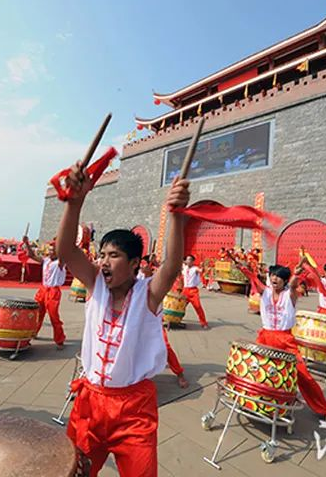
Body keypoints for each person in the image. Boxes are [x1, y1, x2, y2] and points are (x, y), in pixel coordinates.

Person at [56, 159, 189, 476]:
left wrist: (176, 214)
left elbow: (171, 264)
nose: (103, 262)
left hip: (134, 410)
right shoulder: (96, 286)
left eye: (113, 255)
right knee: (73, 471)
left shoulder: (148, 295)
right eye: (101, 255)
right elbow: (65, 251)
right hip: (90, 403)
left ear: (134, 264)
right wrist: (75, 202)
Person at [233, 256, 326, 417]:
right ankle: (251, 401)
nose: (274, 278)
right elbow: (252, 277)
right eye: (272, 275)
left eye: (278, 276)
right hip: (265, 337)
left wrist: (298, 272)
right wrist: (243, 268)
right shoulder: (264, 291)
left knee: (303, 375)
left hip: (285, 340)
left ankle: (323, 408)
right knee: (254, 368)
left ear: (285, 280)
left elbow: (293, 284)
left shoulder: (290, 294)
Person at [137, 256, 189, 389]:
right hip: (135, 320)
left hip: (153, 320)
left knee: (165, 346)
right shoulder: (131, 275)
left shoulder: (160, 280)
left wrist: (150, 276)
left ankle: (179, 373)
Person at [29, 241, 67, 349]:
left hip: (53, 292)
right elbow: (31, 255)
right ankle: (33, 332)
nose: (50, 252)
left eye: (52, 250)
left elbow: (64, 255)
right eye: (49, 250)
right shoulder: (45, 261)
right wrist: (27, 243)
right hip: (42, 290)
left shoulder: (60, 262)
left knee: (53, 316)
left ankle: (60, 340)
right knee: (37, 313)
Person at [182, 255, 209, 329]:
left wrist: (202, 266)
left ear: (193, 261)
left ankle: (203, 323)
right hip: (185, 290)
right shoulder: (184, 268)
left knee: (198, 307)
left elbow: (201, 271)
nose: (188, 261)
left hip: (193, 291)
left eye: (190, 260)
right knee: (180, 306)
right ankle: (176, 319)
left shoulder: (195, 269)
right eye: (187, 260)